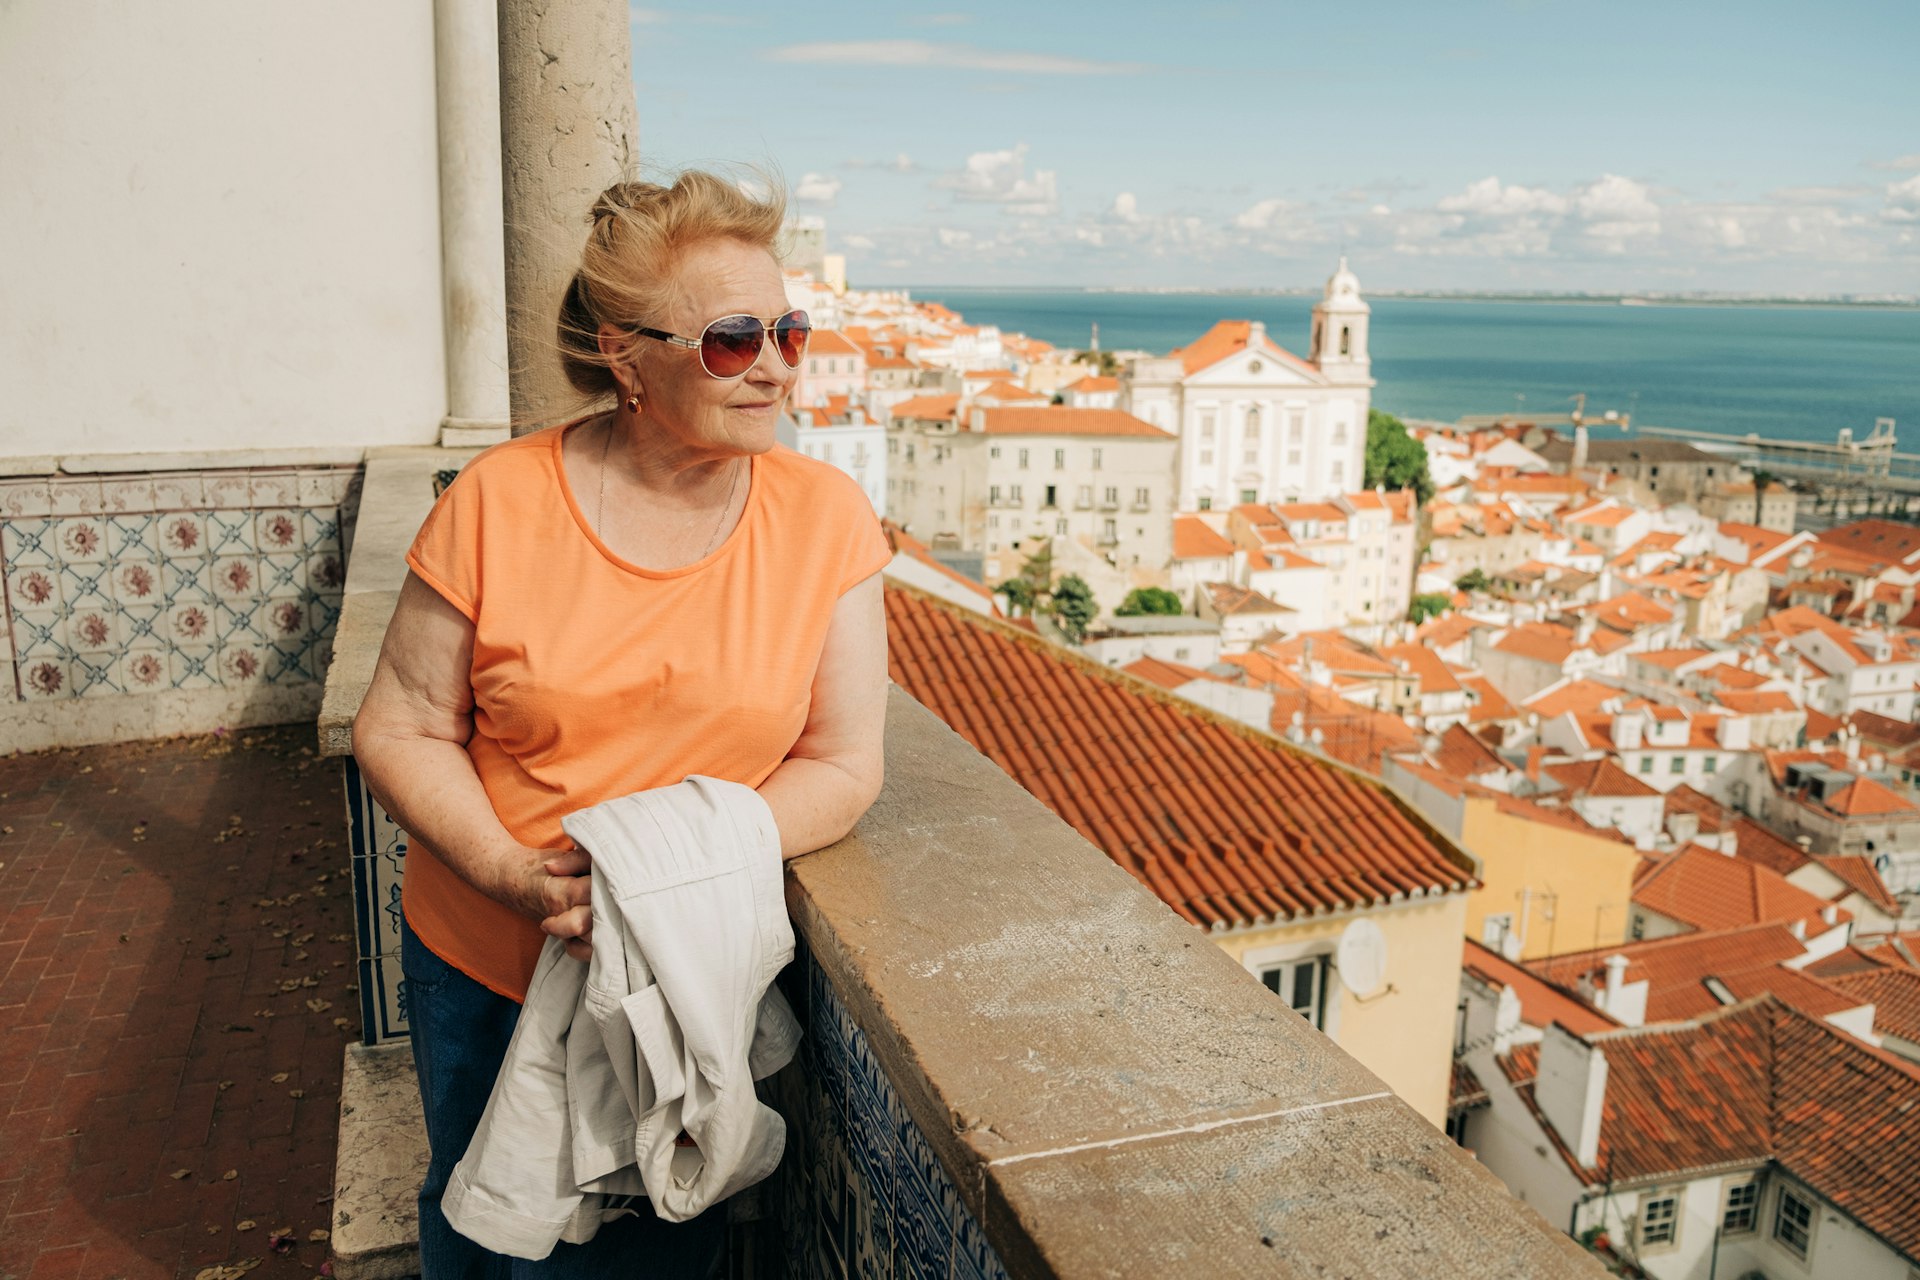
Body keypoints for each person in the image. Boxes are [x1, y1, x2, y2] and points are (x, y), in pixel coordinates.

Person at [351, 170, 891, 1278]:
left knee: (642, 1254)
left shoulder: (825, 520)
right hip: (480, 954)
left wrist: (659, 873)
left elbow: (843, 761)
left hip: (674, 973)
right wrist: (509, 868)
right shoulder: (497, 502)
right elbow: (400, 725)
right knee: (474, 1212)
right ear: (623, 354)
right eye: (736, 341)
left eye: (790, 329)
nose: (782, 365)